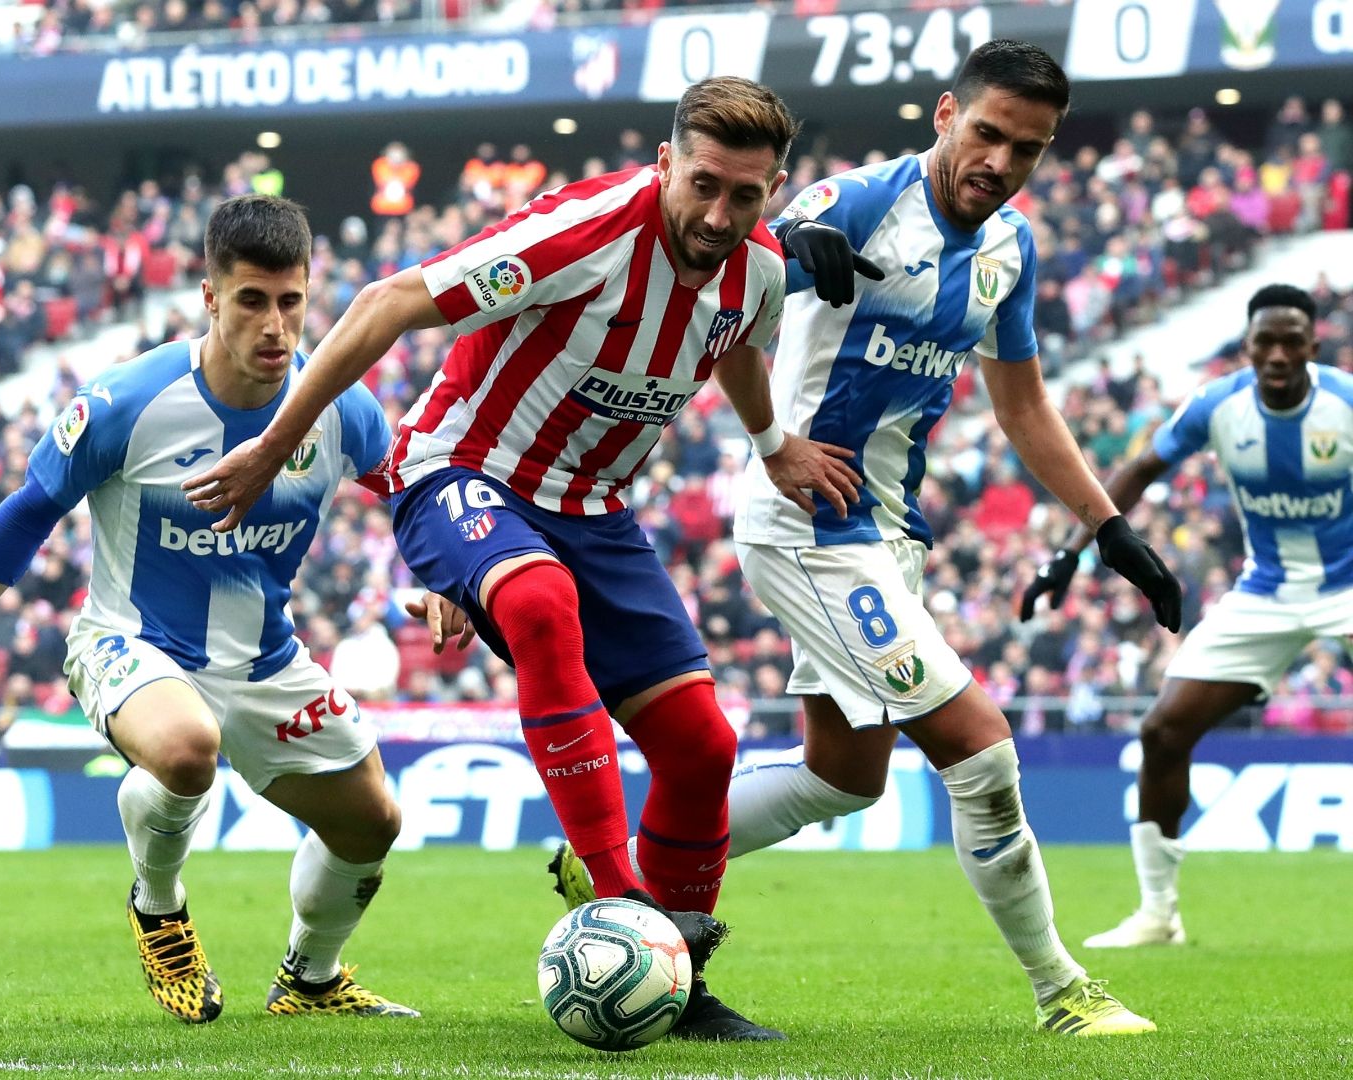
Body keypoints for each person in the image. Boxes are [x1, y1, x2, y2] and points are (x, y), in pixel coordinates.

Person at [184, 77, 870, 1042]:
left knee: (704, 746)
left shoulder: (757, 266)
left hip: (594, 509)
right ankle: (616, 896)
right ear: (666, 162)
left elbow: (737, 345)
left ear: (775, 189)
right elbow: (389, 301)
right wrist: (270, 445)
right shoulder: (581, 234)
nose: (719, 215)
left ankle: (672, 972)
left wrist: (772, 442)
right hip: (465, 469)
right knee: (541, 601)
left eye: (745, 196)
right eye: (704, 186)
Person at [548, 41, 1180, 1036]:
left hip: (889, 530)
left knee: (844, 777)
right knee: (980, 751)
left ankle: (607, 865)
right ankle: (1066, 992)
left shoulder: (1010, 250)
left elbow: (1021, 406)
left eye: (1029, 149)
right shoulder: (851, 203)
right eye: (986, 135)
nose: (1001, 163)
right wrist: (786, 251)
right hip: (806, 516)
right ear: (944, 116)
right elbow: (724, 266)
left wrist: (1106, 524)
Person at [0, 194, 448, 1024]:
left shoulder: (340, 406)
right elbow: (26, 513)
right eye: (252, 301)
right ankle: (159, 905)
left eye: (292, 302)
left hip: (263, 660)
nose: (276, 326)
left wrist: (438, 572)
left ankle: (311, 980)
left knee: (372, 824)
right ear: (211, 298)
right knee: (185, 749)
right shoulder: (127, 401)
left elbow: (406, 494)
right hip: (131, 644)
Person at [1022, 285, 1353, 948]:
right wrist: (1066, 555)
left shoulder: (1345, 403)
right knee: (1164, 732)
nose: (1279, 354)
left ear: (1314, 347)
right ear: (1248, 345)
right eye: (1267, 341)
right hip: (1264, 592)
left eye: (1294, 342)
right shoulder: (1219, 405)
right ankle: (1157, 914)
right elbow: (1138, 470)